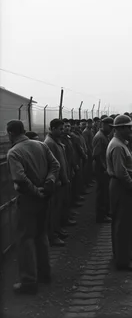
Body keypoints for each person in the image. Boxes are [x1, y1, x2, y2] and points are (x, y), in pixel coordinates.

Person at [6, 120, 60, 294]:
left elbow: (20, 180)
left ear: (10, 133)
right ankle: (45, 274)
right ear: (24, 130)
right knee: (41, 235)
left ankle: (28, 281)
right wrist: (49, 182)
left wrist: (36, 191)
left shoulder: (14, 152)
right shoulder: (40, 145)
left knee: (25, 239)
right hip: (45, 197)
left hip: (29, 200)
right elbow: (55, 165)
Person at [106, 114, 132, 272]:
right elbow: (121, 172)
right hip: (122, 186)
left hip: (121, 186)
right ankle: (123, 260)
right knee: (123, 224)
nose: (131, 129)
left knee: (125, 223)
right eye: (128, 127)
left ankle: (124, 254)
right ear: (120, 129)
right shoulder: (118, 146)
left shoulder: (120, 143)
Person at [45, 119, 72, 247]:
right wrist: (58, 180)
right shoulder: (49, 143)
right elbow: (52, 165)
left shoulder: (56, 141)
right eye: (60, 129)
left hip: (61, 181)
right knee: (53, 210)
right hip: (57, 183)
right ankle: (53, 235)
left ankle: (57, 230)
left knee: (59, 208)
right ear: (53, 128)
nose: (62, 131)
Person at [92, 117, 113, 223]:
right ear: (104, 125)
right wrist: (104, 168)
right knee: (102, 192)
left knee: (105, 192)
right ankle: (101, 216)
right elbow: (97, 155)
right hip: (101, 169)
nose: (111, 129)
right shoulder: (100, 137)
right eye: (110, 127)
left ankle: (105, 212)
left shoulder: (104, 136)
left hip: (103, 167)